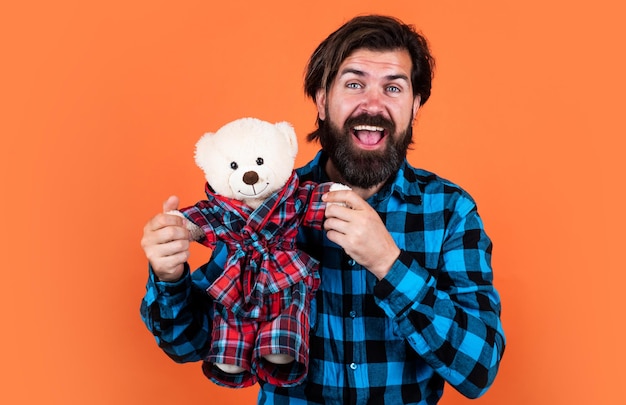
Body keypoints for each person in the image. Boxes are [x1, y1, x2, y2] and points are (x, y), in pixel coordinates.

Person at [140, 14, 506, 404]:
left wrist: (388, 264)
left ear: (415, 106)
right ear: (321, 100)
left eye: (393, 88)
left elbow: (478, 370)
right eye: (354, 84)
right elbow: (187, 345)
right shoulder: (264, 205)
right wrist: (169, 275)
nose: (373, 104)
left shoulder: (450, 209)